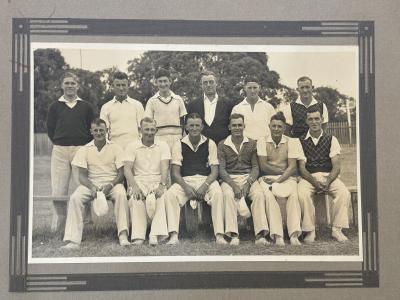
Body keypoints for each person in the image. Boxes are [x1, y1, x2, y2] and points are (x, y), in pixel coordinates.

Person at [61, 118, 130, 249]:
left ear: (107, 131)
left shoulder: (116, 148)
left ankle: (123, 235)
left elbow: (121, 174)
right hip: (92, 184)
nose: (99, 133)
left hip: (112, 184)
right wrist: (92, 187)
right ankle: (73, 240)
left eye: (101, 130)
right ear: (91, 132)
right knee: (75, 198)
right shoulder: (85, 149)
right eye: (96, 130)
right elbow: (82, 175)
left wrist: (110, 185)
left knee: (121, 194)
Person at [164, 113, 226, 245]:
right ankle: (173, 235)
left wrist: (205, 185)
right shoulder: (178, 144)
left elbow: (214, 171)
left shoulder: (210, 143)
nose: (194, 128)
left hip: (206, 179)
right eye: (191, 125)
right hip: (185, 180)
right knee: (170, 194)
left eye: (197, 125)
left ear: (202, 127)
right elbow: (175, 172)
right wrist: (186, 188)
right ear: (186, 127)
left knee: (218, 193)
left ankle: (219, 234)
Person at [46, 72, 95, 231]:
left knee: (83, 187)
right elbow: (50, 129)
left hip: (81, 150)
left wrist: (83, 146)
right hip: (60, 150)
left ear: (77, 86)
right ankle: (59, 226)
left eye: (72, 83)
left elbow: (91, 129)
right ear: (62, 86)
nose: (69, 86)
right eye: (66, 83)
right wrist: (61, 142)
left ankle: (86, 225)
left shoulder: (86, 106)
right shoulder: (55, 106)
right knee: (59, 190)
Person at [297, 106, 350, 243]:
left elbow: (336, 166)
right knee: (302, 194)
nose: (314, 122)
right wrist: (315, 183)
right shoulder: (300, 141)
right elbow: (302, 168)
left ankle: (337, 230)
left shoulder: (331, 139)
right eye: (310, 119)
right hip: (308, 178)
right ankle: (310, 231)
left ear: (322, 120)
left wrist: (327, 182)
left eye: (317, 119)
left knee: (343, 193)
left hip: (329, 177)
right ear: (306, 121)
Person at [218, 113, 267, 246]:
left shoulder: (251, 143)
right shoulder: (222, 144)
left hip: (248, 177)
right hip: (229, 178)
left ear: (244, 126)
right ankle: (233, 234)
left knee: (258, 194)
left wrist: (248, 183)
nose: (237, 128)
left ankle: (260, 235)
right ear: (229, 127)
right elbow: (221, 170)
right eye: (234, 125)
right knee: (228, 195)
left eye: (240, 125)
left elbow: (256, 167)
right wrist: (233, 186)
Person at [257, 112, 303, 246]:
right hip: (267, 177)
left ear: (284, 128)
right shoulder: (262, 141)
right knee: (269, 197)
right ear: (269, 126)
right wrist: (285, 172)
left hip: (287, 178)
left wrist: (279, 180)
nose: (276, 129)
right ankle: (278, 236)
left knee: (294, 195)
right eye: (274, 126)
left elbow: (293, 166)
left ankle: (294, 234)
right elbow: (263, 166)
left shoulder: (292, 142)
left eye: (279, 126)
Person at [123, 117, 170, 245]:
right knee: (135, 198)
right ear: (140, 130)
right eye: (146, 129)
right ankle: (138, 236)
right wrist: (134, 187)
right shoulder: (132, 146)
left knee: (161, 197)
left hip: (157, 180)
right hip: (139, 180)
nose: (149, 132)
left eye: (152, 129)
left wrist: (162, 185)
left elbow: (165, 166)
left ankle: (155, 234)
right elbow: (127, 169)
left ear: (156, 130)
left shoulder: (163, 145)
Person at [186, 70, 234, 144]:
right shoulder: (193, 105)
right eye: (205, 83)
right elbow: (188, 128)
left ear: (216, 84)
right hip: (200, 147)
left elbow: (232, 126)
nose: (208, 85)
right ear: (201, 85)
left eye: (211, 82)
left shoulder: (228, 104)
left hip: (223, 147)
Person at [100, 71, 144, 149]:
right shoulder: (106, 107)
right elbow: (104, 132)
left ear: (128, 86)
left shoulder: (137, 105)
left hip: (135, 148)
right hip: (114, 148)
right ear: (113, 86)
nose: (121, 88)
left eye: (123, 85)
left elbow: (142, 129)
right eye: (118, 85)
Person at [144, 68, 187, 149]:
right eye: (160, 81)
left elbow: (183, 121)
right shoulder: (152, 101)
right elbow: (148, 122)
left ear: (170, 81)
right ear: (156, 82)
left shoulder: (178, 99)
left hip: (177, 138)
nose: (163, 84)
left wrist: (183, 138)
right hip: (159, 138)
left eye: (165, 81)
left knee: (176, 161)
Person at [231, 76, 276, 141]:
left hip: (265, 145)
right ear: (244, 88)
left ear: (259, 88)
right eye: (249, 88)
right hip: (245, 147)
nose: (252, 91)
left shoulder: (269, 107)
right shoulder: (237, 109)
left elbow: (275, 127)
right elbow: (233, 130)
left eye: (255, 87)